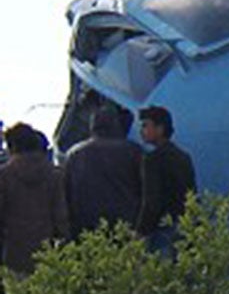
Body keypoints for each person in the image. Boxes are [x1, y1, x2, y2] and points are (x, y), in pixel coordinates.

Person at [0, 122, 69, 284]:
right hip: (46, 252)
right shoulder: (55, 174)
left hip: (13, 254)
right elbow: (61, 216)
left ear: (12, 147)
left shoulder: (4, 176)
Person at [62, 105, 144, 235]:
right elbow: (145, 190)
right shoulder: (134, 151)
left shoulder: (74, 154)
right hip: (125, 224)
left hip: (86, 226)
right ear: (116, 123)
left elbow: (66, 194)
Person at [136, 105, 197, 255]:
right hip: (185, 226)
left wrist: (141, 232)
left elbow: (152, 202)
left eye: (145, 125)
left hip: (163, 230)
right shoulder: (184, 157)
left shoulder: (152, 160)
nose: (141, 131)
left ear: (160, 129)